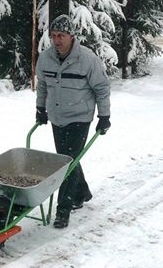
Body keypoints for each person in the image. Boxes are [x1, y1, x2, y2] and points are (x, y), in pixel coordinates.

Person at [35, 14, 111, 228]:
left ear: (72, 36)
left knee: (66, 162)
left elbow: (102, 89)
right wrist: (40, 108)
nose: (57, 40)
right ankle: (82, 193)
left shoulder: (87, 59)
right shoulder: (46, 58)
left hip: (79, 117)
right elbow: (42, 85)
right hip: (57, 117)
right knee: (69, 159)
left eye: (61, 35)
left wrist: (104, 116)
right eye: (53, 36)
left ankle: (63, 210)